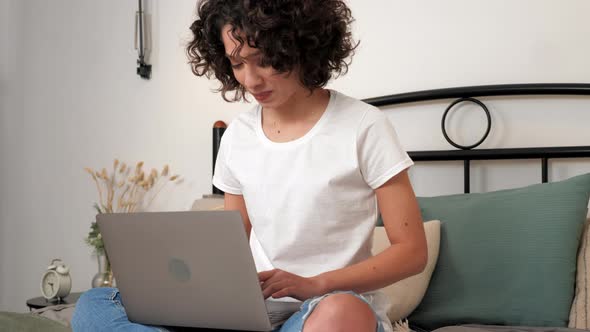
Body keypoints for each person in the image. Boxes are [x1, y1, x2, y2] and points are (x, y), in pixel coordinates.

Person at [72, 0, 427, 331]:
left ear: (301, 47)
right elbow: (232, 243)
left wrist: (314, 284)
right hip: (254, 312)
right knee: (94, 303)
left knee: (341, 313)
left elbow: (411, 253)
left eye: (265, 61)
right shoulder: (238, 136)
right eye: (237, 63)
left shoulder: (364, 126)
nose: (251, 80)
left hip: (326, 307)